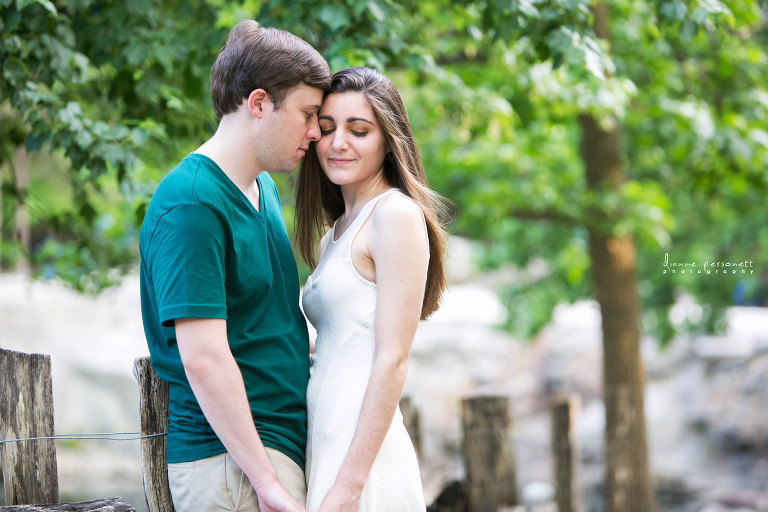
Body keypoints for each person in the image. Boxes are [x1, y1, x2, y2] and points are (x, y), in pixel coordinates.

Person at [139, 20, 330, 512]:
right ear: (260, 103)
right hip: (234, 467)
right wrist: (266, 483)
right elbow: (203, 358)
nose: (316, 131)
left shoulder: (261, 188)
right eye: (308, 113)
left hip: (271, 451)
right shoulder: (193, 204)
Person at [295, 67, 449, 512]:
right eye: (326, 129)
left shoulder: (394, 215)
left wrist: (350, 484)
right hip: (325, 439)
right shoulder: (335, 233)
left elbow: (392, 359)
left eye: (358, 130)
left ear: (388, 139)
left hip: (362, 457)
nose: (337, 142)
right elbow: (345, 342)